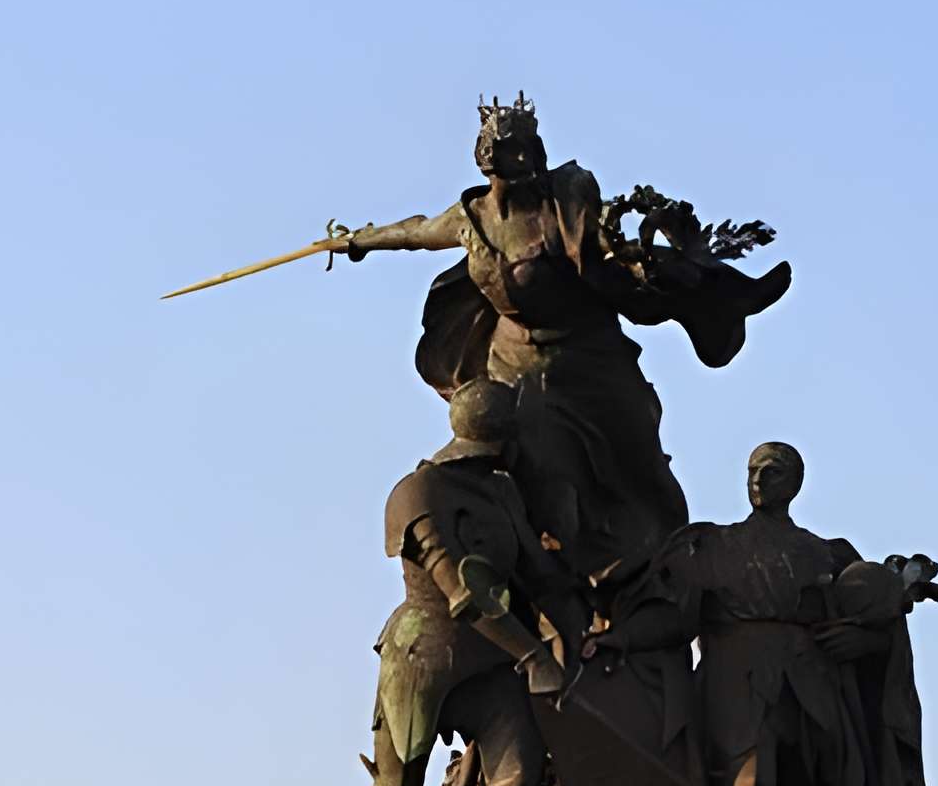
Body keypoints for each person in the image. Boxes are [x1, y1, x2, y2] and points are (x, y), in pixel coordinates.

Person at [334, 94, 790, 580]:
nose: (526, 160)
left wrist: (642, 256)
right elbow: (417, 232)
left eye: (530, 148)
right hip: (513, 365)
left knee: (641, 465)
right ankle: (544, 572)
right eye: (512, 151)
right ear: (488, 157)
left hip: (588, 357)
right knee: (535, 473)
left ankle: (669, 564)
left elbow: (606, 246)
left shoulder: (563, 206)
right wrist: (357, 241)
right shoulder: (473, 219)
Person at [605, 443, 938, 786]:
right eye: (753, 470)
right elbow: (674, 624)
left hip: (809, 697)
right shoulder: (714, 546)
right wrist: (618, 641)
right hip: (734, 684)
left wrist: (861, 640)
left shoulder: (825, 554)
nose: (759, 479)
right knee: (752, 785)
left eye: (773, 472)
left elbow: (870, 628)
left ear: (795, 483)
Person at [357, 382, 570, 786]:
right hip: (425, 653)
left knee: (518, 777)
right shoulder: (418, 491)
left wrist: (581, 630)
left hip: (492, 660)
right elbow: (460, 593)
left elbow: (539, 575)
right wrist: (535, 657)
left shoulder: (502, 492)